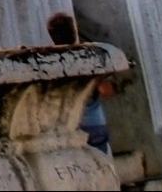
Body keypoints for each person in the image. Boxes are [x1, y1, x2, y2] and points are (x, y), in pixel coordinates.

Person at [49, 12, 114, 156]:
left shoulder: (50, 62)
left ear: (51, 36)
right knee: (102, 166)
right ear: (74, 30)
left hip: (65, 128)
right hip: (93, 124)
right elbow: (106, 91)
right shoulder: (88, 58)